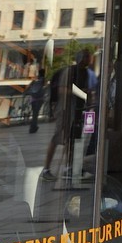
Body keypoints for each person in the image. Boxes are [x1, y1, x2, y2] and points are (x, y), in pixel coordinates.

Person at [43, 50, 97, 180]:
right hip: (65, 109)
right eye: (87, 57)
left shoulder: (84, 72)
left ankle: (69, 167)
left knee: (71, 139)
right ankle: (46, 169)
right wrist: (82, 93)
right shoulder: (71, 71)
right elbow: (62, 89)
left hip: (76, 110)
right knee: (58, 137)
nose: (89, 60)